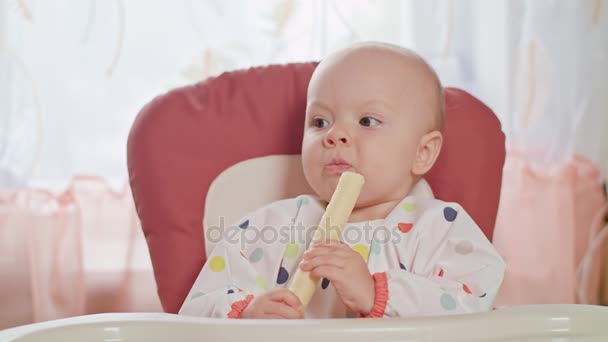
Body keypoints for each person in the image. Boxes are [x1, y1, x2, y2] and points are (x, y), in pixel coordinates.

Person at [178, 42, 506, 319]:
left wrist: (377, 293)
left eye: (367, 120)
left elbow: (474, 306)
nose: (335, 135)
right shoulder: (266, 230)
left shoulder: (439, 228)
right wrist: (246, 313)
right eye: (320, 121)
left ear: (422, 152)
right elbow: (192, 313)